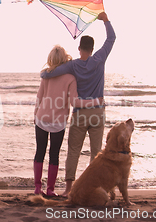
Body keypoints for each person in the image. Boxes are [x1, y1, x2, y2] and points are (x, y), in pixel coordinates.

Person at [40, 12, 115, 197]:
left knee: (73, 150)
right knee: (97, 153)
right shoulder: (99, 59)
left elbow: (51, 72)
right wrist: (105, 20)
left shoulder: (73, 65)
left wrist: (43, 75)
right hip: (97, 112)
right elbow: (112, 38)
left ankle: (68, 189)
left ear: (79, 47)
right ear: (93, 48)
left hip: (80, 113)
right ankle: (95, 187)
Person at [34, 45, 104, 196]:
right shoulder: (71, 79)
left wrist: (35, 114)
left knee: (39, 152)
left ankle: (37, 188)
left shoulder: (47, 75)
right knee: (54, 155)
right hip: (58, 122)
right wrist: (96, 101)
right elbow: (76, 103)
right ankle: (50, 190)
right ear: (65, 60)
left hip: (41, 119)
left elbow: (39, 97)